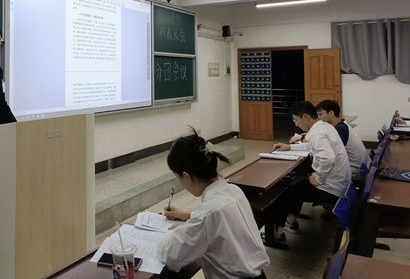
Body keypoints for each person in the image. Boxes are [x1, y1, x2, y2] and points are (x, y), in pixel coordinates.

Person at [157, 129, 270, 279]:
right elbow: (221, 220)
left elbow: (169, 255)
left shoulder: (207, 215)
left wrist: (173, 232)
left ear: (186, 176)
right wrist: (187, 215)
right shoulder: (234, 190)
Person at [272, 101, 350, 239]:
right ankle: (290, 222)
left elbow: (328, 159)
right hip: (340, 184)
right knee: (298, 182)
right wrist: (289, 147)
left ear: (305, 117)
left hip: (332, 190)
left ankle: (277, 231)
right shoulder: (323, 126)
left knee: (286, 189)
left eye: (296, 120)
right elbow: (311, 147)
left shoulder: (317, 133)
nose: (296, 124)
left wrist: (318, 177)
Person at [315, 99, 367, 183]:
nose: (319, 118)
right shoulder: (342, 125)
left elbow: (328, 154)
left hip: (353, 172)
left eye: (321, 114)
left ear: (331, 113)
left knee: (316, 173)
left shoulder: (340, 130)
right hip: (358, 168)